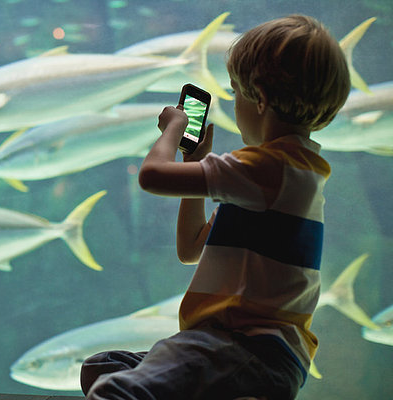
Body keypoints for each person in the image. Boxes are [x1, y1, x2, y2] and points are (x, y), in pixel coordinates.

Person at [80, 14, 351, 400]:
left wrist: (173, 128)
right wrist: (195, 165)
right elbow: (190, 248)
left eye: (234, 93)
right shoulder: (289, 174)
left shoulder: (268, 169)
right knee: (103, 367)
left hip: (245, 347)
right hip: (246, 352)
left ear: (259, 97)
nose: (233, 103)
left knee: (117, 391)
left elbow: (152, 176)